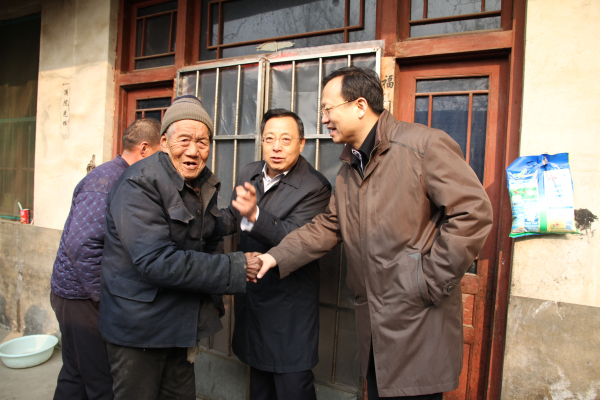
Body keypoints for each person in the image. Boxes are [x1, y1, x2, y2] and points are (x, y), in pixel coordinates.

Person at [255, 67, 493, 399]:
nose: (323, 119)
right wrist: (275, 256)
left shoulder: (422, 145)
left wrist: (427, 281)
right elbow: (329, 225)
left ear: (360, 106)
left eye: (328, 108)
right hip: (374, 321)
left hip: (418, 317)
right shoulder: (349, 169)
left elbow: (473, 213)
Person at [98, 95, 261, 400]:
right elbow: (155, 260)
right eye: (184, 139)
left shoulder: (198, 182)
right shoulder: (140, 183)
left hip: (178, 322)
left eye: (202, 142)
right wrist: (237, 267)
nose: (193, 151)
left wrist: (247, 213)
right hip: (139, 326)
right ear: (163, 142)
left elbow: (208, 229)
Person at [219, 109, 331, 400]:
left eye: (285, 139)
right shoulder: (249, 172)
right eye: (269, 139)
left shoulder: (315, 186)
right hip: (252, 294)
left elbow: (297, 238)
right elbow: (233, 216)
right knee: (260, 384)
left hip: (288, 304)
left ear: (302, 143)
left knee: (293, 385)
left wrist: (255, 214)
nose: (276, 147)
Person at [50, 118, 162, 400]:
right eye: (161, 154)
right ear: (145, 149)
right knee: (102, 382)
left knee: (75, 377)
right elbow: (81, 245)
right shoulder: (108, 181)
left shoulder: (120, 177)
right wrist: (104, 298)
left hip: (77, 296)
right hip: (81, 299)